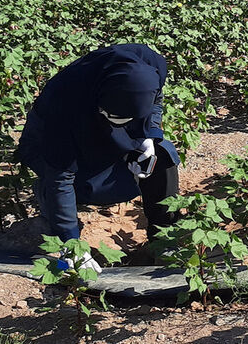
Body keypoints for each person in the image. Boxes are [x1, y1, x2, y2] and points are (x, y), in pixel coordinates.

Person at [16, 43, 180, 269]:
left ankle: (164, 239)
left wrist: (148, 136)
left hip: (105, 126)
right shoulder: (64, 102)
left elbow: (155, 101)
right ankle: (50, 209)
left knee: (162, 155)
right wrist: (70, 244)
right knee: (72, 185)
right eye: (114, 118)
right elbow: (60, 176)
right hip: (55, 142)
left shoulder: (149, 65)